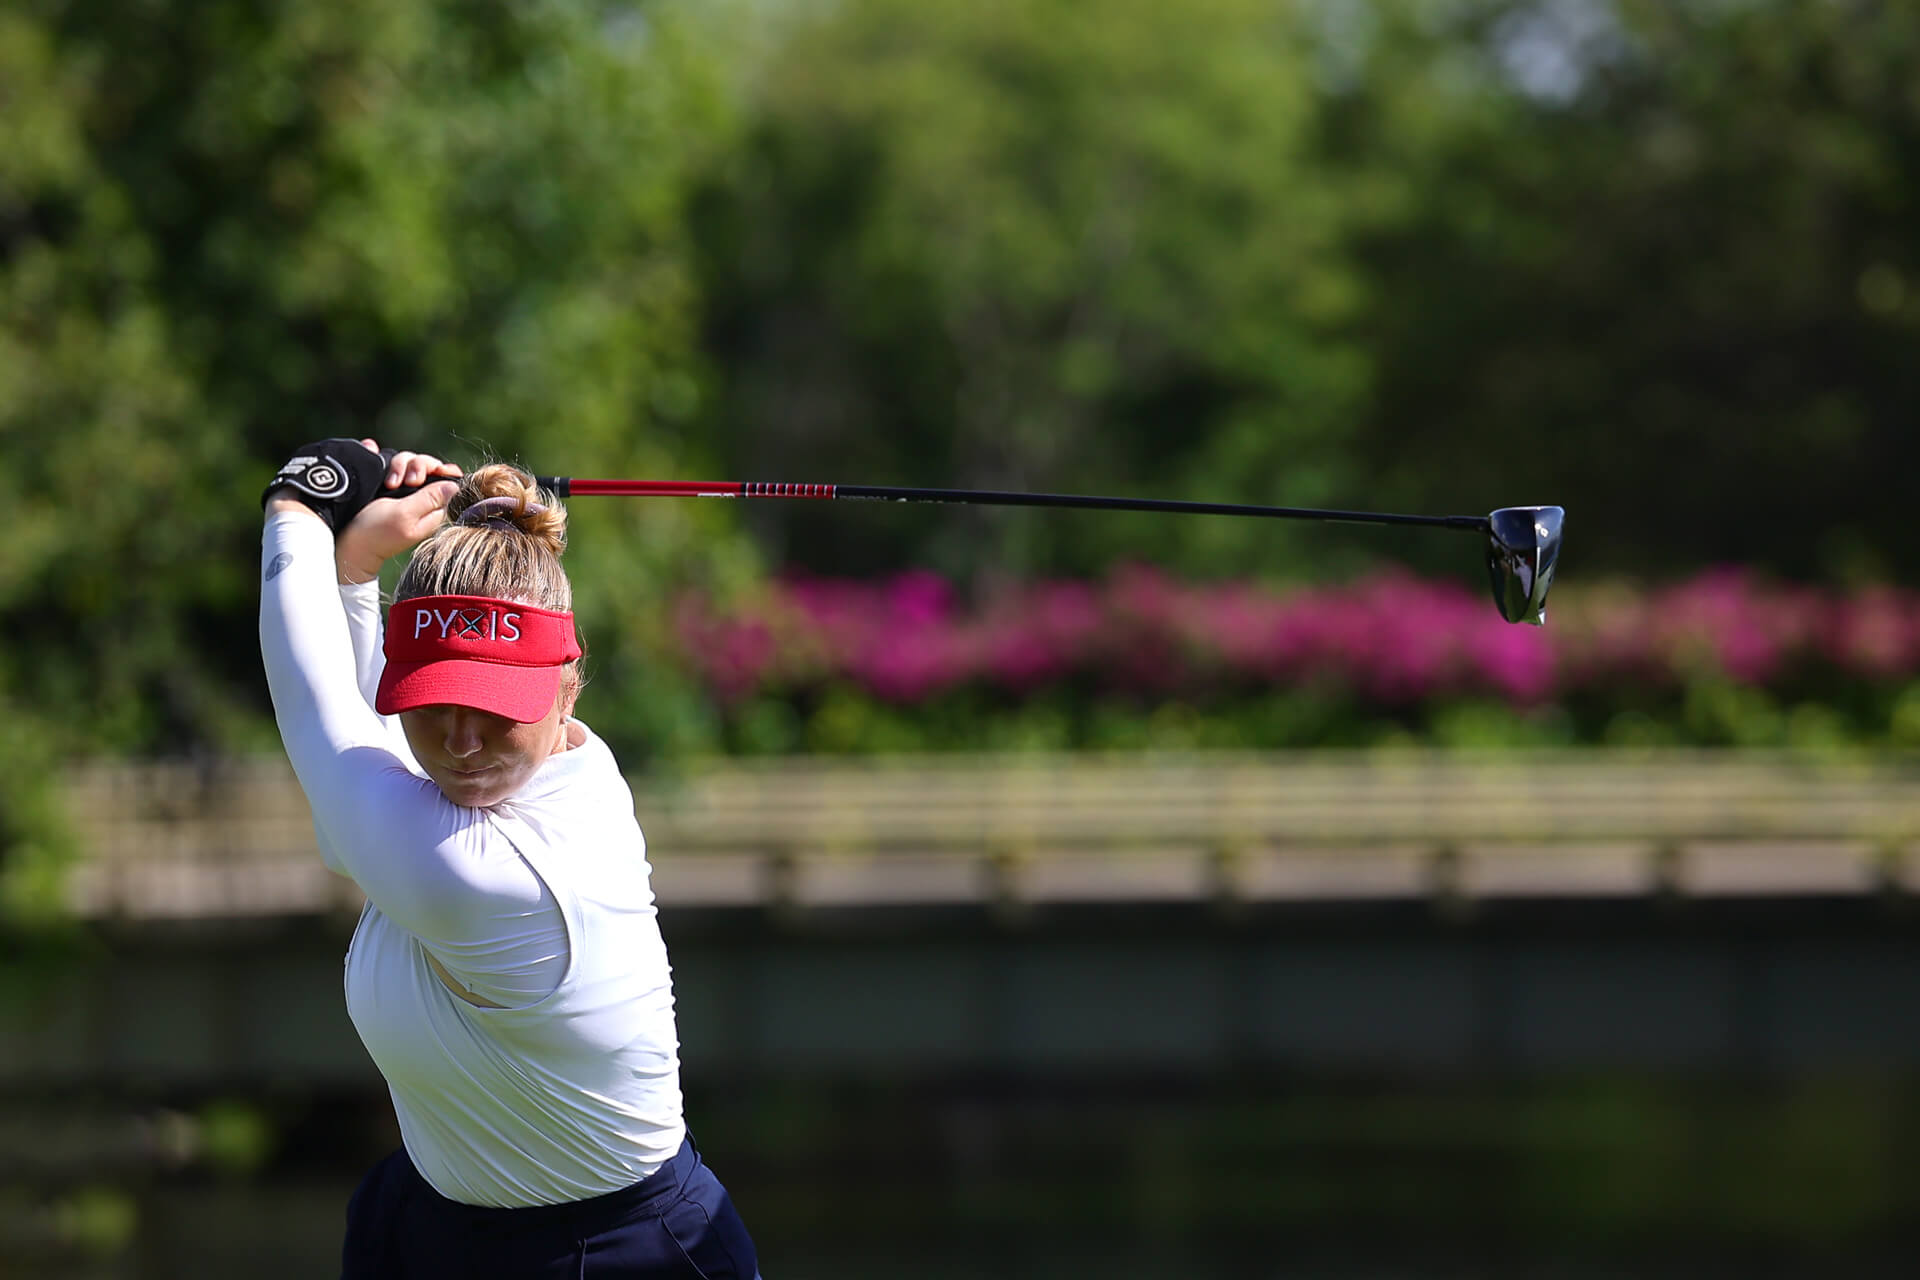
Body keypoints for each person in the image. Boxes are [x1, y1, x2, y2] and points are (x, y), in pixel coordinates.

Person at [258, 437, 761, 1279]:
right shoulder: (499, 792)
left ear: (569, 677)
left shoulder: (496, 877)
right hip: (429, 1226)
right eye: (432, 703)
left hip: (618, 1256)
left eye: (494, 706)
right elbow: (355, 792)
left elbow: (322, 726)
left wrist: (297, 511)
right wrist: (354, 572)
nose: (460, 742)